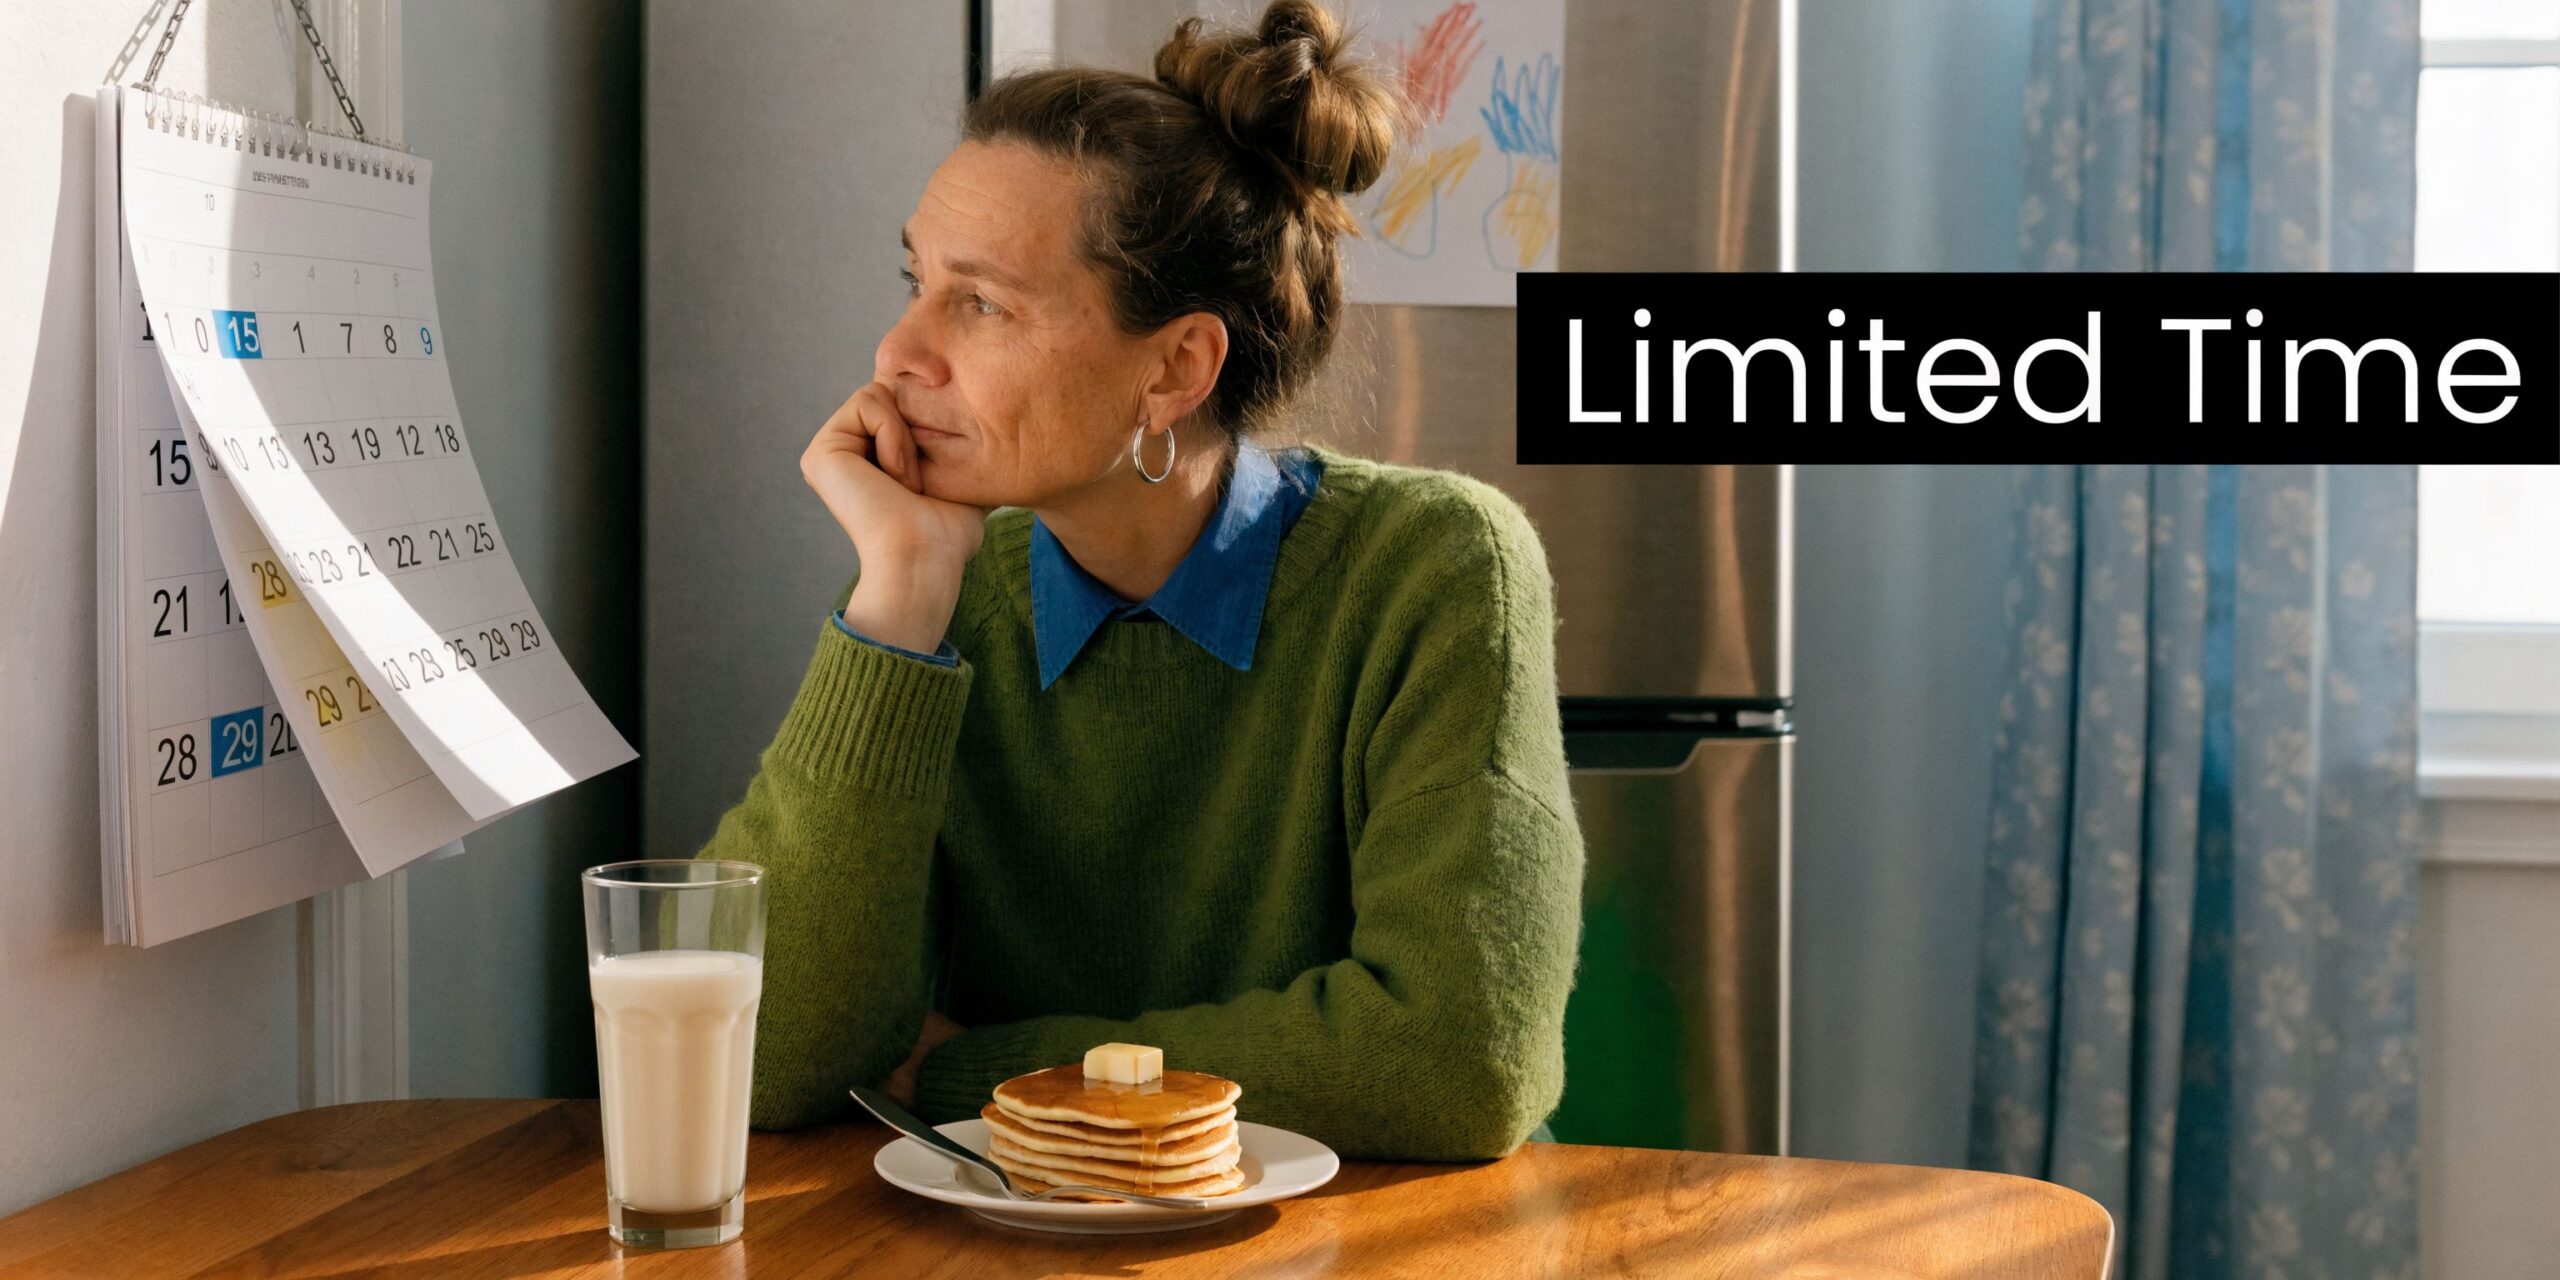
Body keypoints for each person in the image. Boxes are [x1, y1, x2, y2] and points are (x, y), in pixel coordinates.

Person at [694, 0, 1583, 1161]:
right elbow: (756, 1056)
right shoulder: (941, 595)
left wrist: (977, 1070)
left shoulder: (1438, 566)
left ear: (1174, 368)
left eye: (980, 302)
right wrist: (899, 595)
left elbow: (1458, 1060)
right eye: (916, 281)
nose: (899, 352)